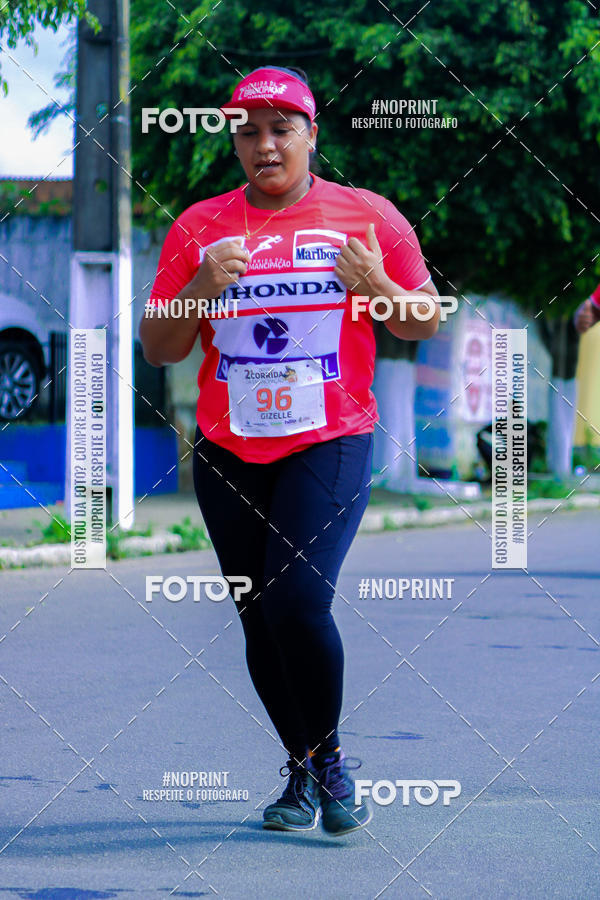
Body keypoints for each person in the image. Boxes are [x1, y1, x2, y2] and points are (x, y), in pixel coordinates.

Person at [140, 65, 440, 836]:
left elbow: (421, 320)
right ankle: (306, 770)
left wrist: (376, 282)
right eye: (249, 131)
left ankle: (328, 760)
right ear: (235, 142)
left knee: (298, 604)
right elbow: (159, 347)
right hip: (229, 452)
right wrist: (200, 288)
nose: (264, 145)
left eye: (281, 129)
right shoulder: (200, 227)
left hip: (329, 440)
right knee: (257, 618)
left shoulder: (365, 215)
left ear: (312, 134)